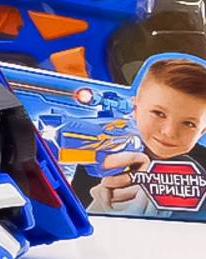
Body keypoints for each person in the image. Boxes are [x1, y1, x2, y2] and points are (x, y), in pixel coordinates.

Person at [76, 56, 206, 215]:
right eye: (159, 114)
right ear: (135, 108)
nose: (169, 132)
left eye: (189, 124)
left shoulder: (199, 170)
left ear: (202, 131)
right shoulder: (100, 151)